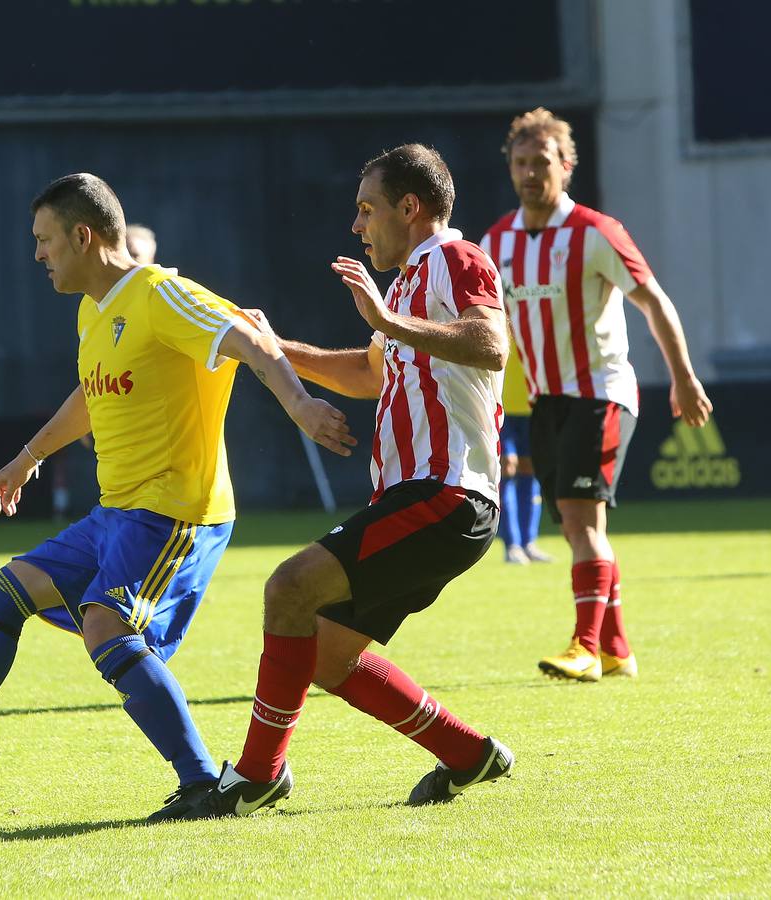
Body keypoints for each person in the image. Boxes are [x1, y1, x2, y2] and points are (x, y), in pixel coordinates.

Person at [0, 173, 354, 822]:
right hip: (115, 514)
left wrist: (301, 405)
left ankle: (204, 784)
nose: (37, 254)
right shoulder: (94, 310)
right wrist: (28, 457)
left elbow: (250, 337)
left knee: (106, 626)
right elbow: (92, 394)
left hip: (175, 513)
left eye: (45, 239)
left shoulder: (162, 294)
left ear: (83, 236)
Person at [169, 144, 515, 818]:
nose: (357, 225)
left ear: (410, 208)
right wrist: (271, 350)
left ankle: (257, 775)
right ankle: (469, 753)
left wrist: (387, 321)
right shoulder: (413, 283)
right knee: (324, 654)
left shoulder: (453, 257)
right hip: (424, 500)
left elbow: (491, 343)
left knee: (288, 588)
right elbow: (367, 372)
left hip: (447, 495)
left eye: (367, 208)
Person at [481, 108, 712, 681]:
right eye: (521, 163)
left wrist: (683, 377)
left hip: (601, 393)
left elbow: (653, 301)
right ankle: (616, 649)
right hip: (545, 400)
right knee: (580, 528)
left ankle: (584, 646)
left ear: (566, 166)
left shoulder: (595, 231)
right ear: (509, 168)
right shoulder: (498, 241)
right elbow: (481, 323)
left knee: (582, 523)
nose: (531, 174)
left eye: (542, 162)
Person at [499, 350, 551, 564]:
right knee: (507, 468)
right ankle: (512, 545)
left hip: (532, 408)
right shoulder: (500, 318)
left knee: (531, 471)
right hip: (504, 409)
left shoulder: (533, 322)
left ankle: (529, 543)